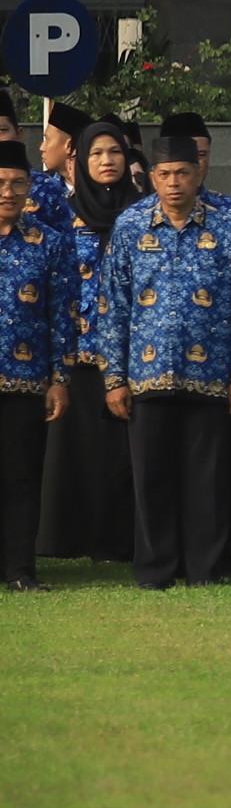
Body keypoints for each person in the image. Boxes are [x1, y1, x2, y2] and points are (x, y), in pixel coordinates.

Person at [87, 137, 231, 589]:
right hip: (146, 377)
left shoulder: (229, 227)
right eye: (165, 174)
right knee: (152, 478)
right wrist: (113, 378)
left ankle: (206, 568)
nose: (174, 183)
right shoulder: (131, 226)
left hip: (210, 376)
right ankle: (156, 569)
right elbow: (112, 305)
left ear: (199, 173)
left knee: (207, 480)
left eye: (183, 173)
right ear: (151, 177)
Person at [40, 112, 141, 564]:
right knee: (71, 455)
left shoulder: (142, 214)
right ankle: (65, 541)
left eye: (115, 151)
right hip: (76, 356)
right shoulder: (62, 216)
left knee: (122, 458)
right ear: (79, 161)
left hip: (129, 359)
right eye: (96, 153)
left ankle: (118, 543)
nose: (106, 161)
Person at [0, 142, 59, 589]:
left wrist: (58, 380)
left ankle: (20, 568)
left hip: (25, 381)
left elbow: (62, 317)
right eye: (0, 183)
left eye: (18, 183)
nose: (9, 192)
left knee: (21, 477)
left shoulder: (47, 243)